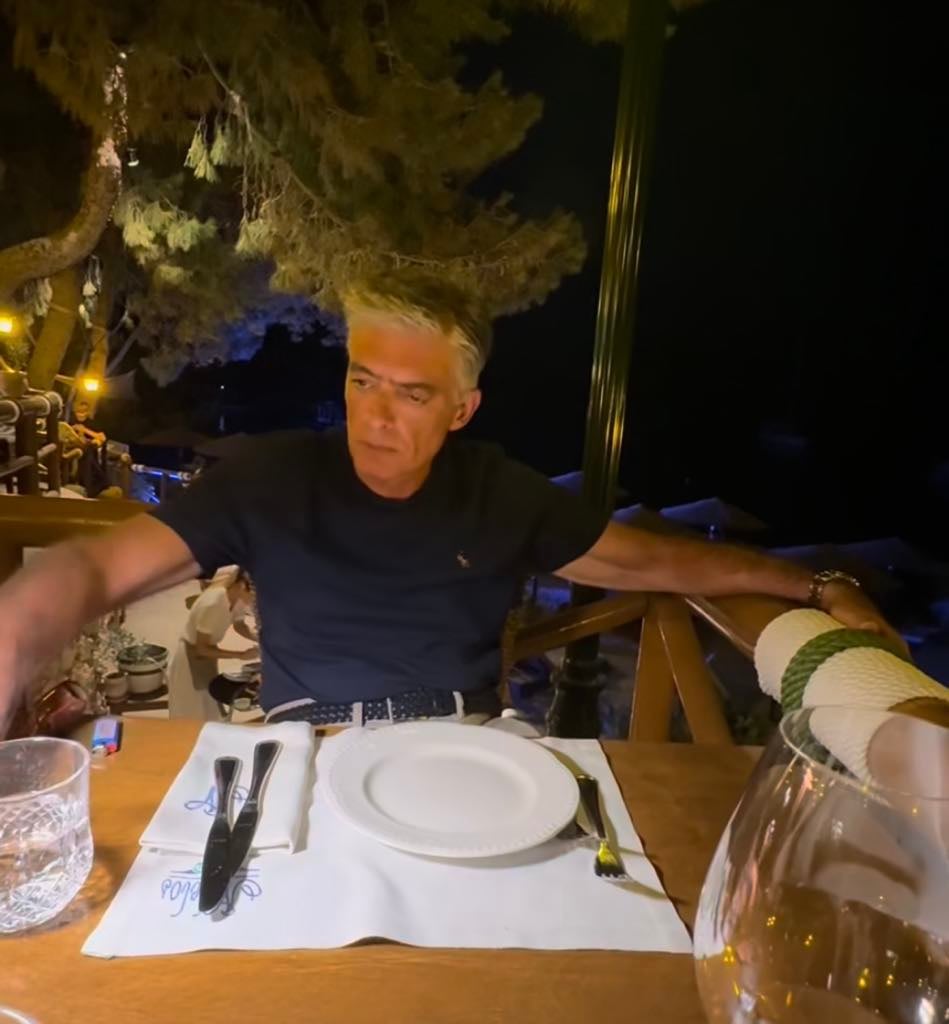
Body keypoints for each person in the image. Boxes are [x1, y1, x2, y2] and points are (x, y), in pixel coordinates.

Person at [0, 271, 911, 736]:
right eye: (363, 380)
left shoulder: (498, 492)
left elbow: (659, 560)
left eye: (411, 394)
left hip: (464, 746)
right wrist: (13, 638)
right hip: (298, 748)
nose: (375, 415)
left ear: (461, 409)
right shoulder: (269, 478)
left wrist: (813, 583)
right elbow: (96, 568)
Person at [167, 567, 258, 721]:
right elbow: (201, 649)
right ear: (243, 585)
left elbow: (239, 625)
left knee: (210, 709)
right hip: (190, 659)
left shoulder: (238, 597)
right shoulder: (215, 602)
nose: (255, 601)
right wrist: (240, 655)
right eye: (254, 595)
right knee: (192, 716)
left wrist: (260, 638)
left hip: (207, 657)